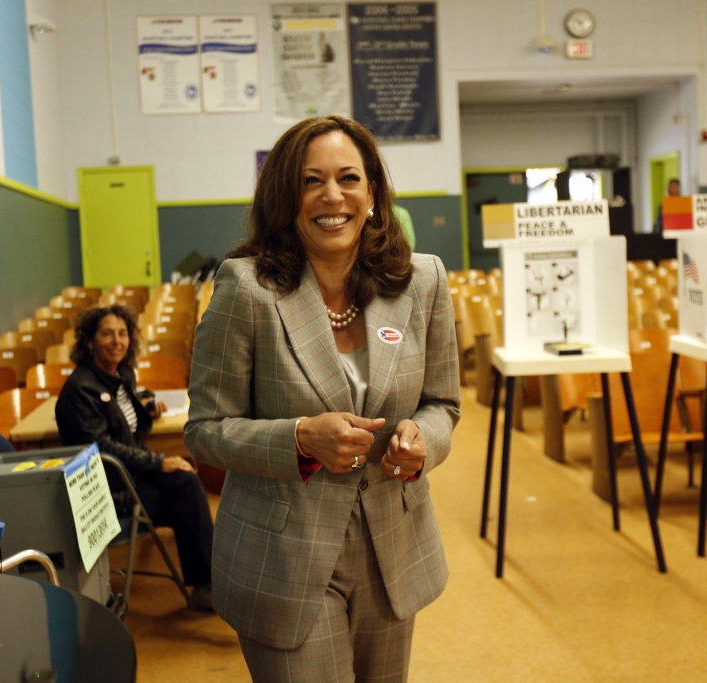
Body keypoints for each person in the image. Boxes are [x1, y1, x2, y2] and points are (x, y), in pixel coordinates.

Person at [184, 115, 460, 682]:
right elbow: (206, 429)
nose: (332, 196)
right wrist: (298, 437)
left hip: (391, 549)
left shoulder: (422, 281)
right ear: (287, 197)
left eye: (349, 178)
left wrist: (421, 441)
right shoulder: (247, 289)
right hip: (285, 559)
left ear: (373, 192)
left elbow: (444, 404)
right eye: (312, 181)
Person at [54, 304, 214, 610]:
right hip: (111, 490)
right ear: (89, 341)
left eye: (122, 334)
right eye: (107, 334)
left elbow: (124, 418)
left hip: (131, 474)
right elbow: (102, 446)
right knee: (185, 492)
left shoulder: (119, 374)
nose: (116, 341)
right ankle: (207, 584)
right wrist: (159, 462)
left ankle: (208, 583)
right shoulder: (80, 388)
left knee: (187, 481)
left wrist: (145, 406)